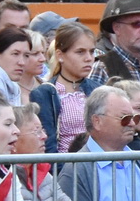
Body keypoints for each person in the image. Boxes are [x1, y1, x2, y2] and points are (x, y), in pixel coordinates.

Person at [29, 22, 102, 152]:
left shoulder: (99, 90)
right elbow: (48, 146)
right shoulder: (44, 93)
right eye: (80, 52)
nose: (88, 58)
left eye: (91, 52)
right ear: (60, 55)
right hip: (64, 168)